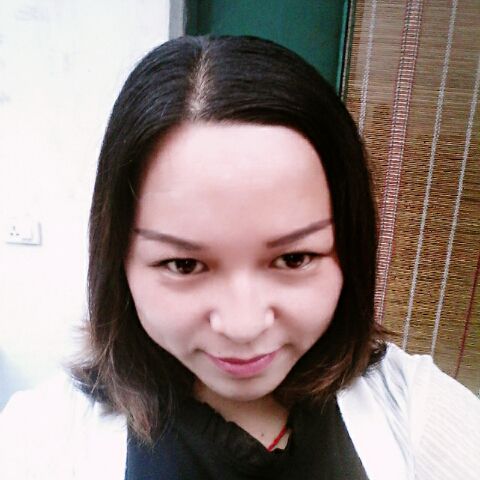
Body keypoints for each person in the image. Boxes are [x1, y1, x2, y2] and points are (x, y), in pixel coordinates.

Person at [1, 35, 479, 480]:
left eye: (294, 258)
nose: (243, 326)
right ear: (119, 260)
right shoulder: (40, 441)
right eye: (184, 265)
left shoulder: (415, 411)